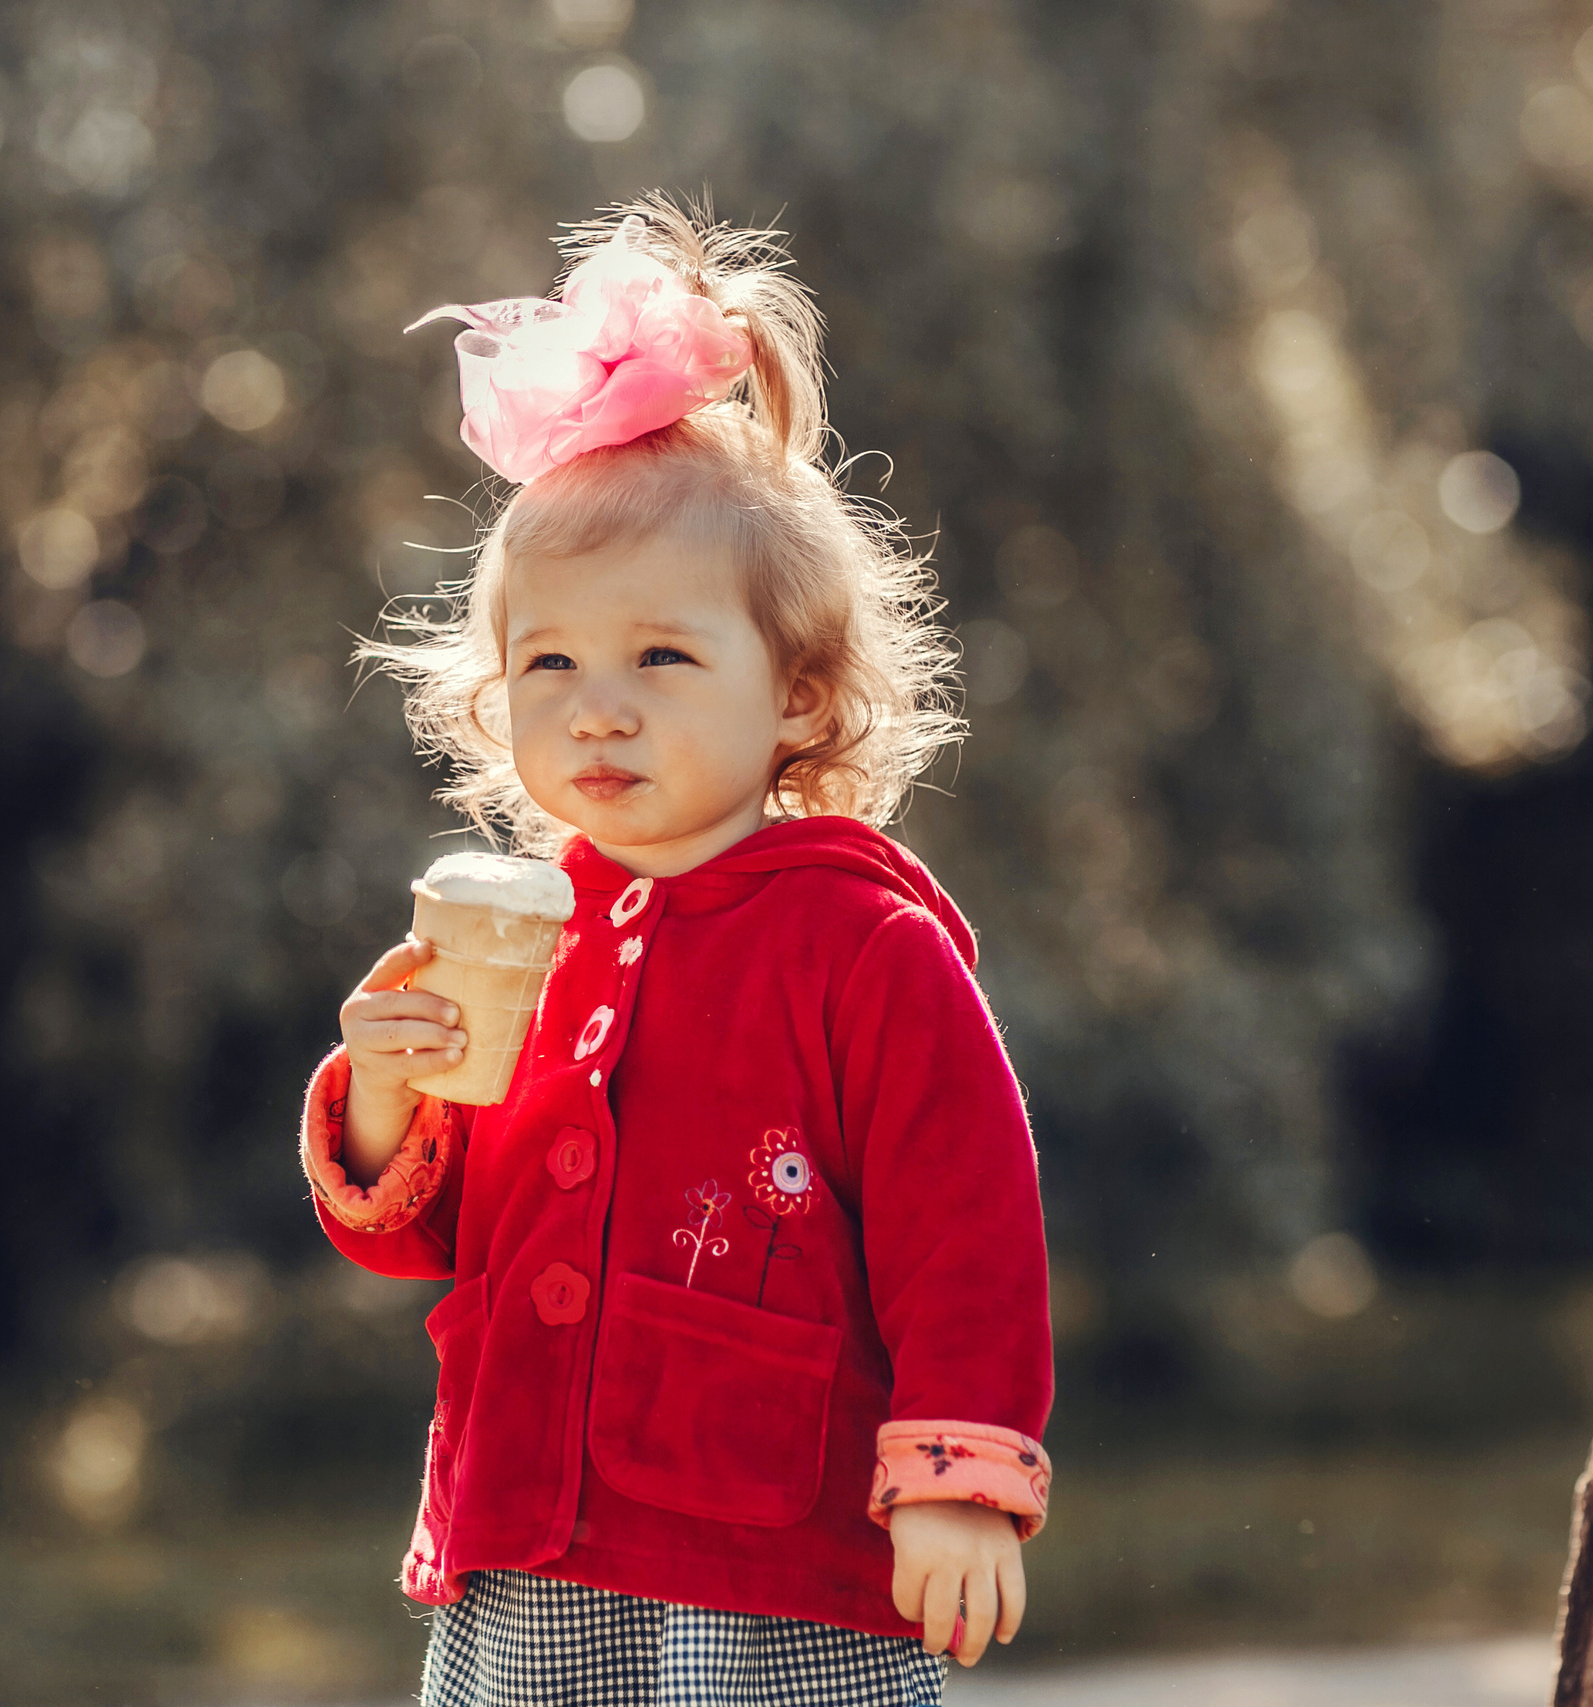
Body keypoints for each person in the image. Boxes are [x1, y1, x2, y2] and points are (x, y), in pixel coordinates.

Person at [296, 196, 1053, 1707]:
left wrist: (960, 1476)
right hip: (527, 1537)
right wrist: (385, 1100)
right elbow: (422, 1239)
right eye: (551, 661)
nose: (599, 707)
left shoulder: (862, 942)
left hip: (771, 1559)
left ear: (795, 696)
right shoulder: (519, 939)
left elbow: (962, 1223)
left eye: (663, 656)